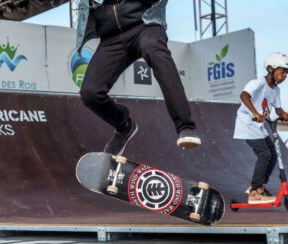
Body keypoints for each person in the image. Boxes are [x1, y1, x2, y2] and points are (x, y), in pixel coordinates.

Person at [75, 0, 201, 155]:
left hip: (145, 25)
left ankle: (185, 127)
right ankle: (124, 126)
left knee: (155, 53)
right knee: (90, 93)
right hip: (110, 38)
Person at [233, 52, 288, 204]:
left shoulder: (276, 90)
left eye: (287, 74)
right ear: (271, 69)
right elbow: (244, 95)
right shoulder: (258, 83)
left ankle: (258, 186)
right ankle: (255, 190)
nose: (284, 76)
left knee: (272, 154)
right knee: (265, 154)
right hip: (247, 123)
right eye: (282, 72)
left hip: (259, 125)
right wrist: (255, 112)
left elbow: (278, 109)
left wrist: (284, 114)